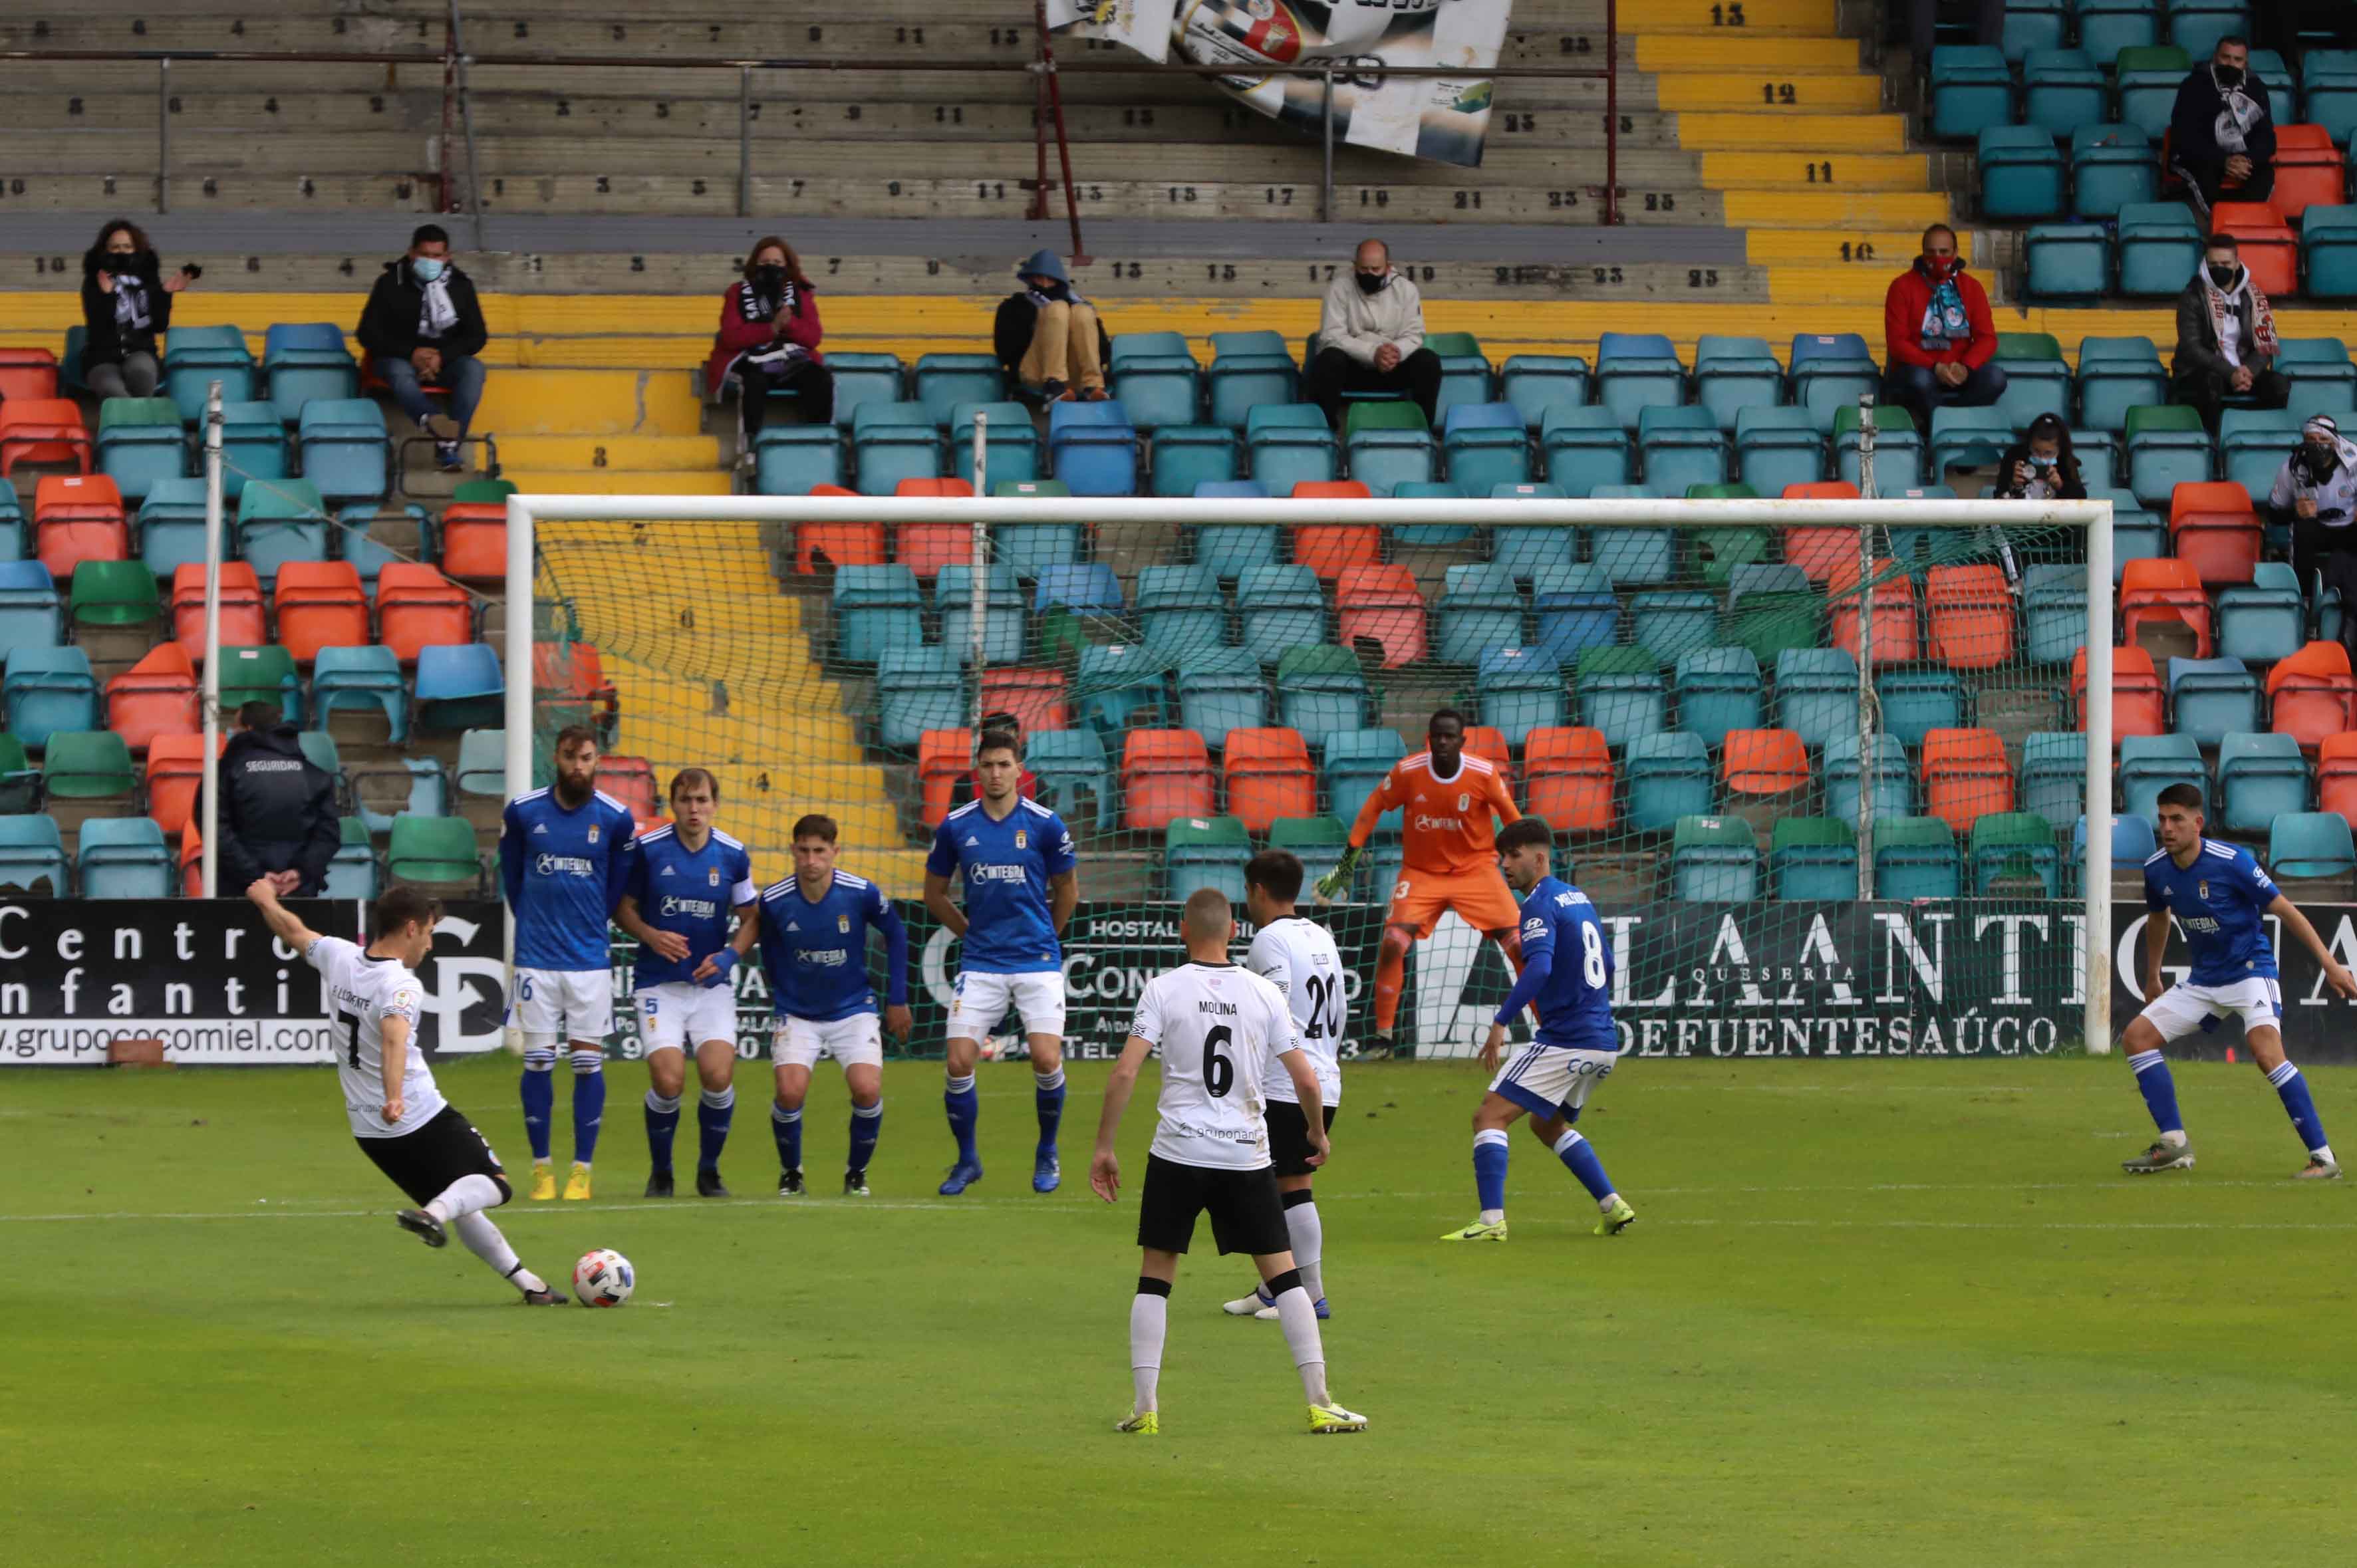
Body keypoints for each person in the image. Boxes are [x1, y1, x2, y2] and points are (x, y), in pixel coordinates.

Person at [1089, 887, 1367, 1436]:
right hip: (1245, 1154)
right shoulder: (1263, 993)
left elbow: (1124, 1073)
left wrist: (1105, 1147)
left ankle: (1145, 1407)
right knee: (1285, 1276)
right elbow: (1306, 1076)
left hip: (1178, 1151)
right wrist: (1315, 1130)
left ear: (1183, 931)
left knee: (1156, 1275)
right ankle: (1320, 1400)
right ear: (1234, 932)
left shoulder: (1163, 989)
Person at [247, 879, 565, 1303]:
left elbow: (291, 931)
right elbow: (394, 1036)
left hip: (370, 1132)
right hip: (416, 1114)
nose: (430, 944)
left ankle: (530, 1285)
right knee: (496, 1184)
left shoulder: (339, 956)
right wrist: (394, 1096)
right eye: (430, 932)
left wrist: (265, 898)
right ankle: (431, 1215)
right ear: (412, 928)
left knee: (459, 1200)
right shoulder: (401, 984)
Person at [2123, 784, 2353, 1179]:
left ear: (2198, 823)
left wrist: (2330, 964)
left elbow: (2286, 910)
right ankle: (2174, 1143)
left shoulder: (2233, 862)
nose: (2167, 827)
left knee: (2265, 1052)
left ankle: (2323, 1158)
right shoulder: (2156, 868)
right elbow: (2159, 918)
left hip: (2250, 972)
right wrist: (2152, 975)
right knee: (2136, 1038)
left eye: (2176, 819)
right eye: (2161, 818)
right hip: (2204, 981)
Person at [1441, 817, 1638, 1242]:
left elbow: (1540, 966)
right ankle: (1611, 1205)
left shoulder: (1537, 903)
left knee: (1489, 1116)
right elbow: (1607, 963)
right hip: (1603, 1042)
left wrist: (1500, 1021)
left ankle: (1491, 1222)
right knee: (1546, 1125)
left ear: (1540, 857)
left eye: (1514, 856)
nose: (1505, 865)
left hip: (1566, 1040)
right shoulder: (1578, 897)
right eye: (1502, 857)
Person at [923, 728, 1081, 1195]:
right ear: (978, 770)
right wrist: (968, 934)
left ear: (1019, 770)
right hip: (981, 963)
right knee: (957, 1063)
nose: (996, 773)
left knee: (1046, 1057)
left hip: (1036, 960)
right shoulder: (956, 826)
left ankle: (1047, 1151)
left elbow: (1069, 888)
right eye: (988, 765)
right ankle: (968, 1160)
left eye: (1004, 764)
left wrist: (1047, 937)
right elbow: (934, 894)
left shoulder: (1046, 824)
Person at [1314, 710, 1523, 1059]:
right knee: (1394, 942)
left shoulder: (1483, 774)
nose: (1442, 742)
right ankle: (1384, 1039)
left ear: (1462, 741)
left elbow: (1513, 818)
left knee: (1519, 947)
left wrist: (1519, 861)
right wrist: (1347, 862)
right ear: (1429, 738)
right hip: (1421, 874)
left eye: (1450, 736)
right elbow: (1373, 807)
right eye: (1437, 736)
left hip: (1477, 872)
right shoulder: (1409, 772)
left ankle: (1550, 1034)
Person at [499, 724, 636, 1202]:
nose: (578, 766)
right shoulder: (523, 811)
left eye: (586, 758)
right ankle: (542, 1170)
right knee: (538, 1060)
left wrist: (586, 924)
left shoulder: (616, 819)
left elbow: (616, 887)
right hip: (537, 959)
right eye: (569, 757)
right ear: (555, 758)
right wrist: (534, 922)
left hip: (588, 961)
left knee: (584, 1063)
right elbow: (511, 877)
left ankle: (582, 1169)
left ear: (598, 760)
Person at [741, 813, 910, 1197]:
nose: (811, 860)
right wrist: (782, 996)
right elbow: (769, 950)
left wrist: (897, 1000)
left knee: (867, 1089)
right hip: (797, 1012)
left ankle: (856, 1173)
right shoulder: (775, 900)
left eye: (820, 851)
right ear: (793, 851)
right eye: (804, 851)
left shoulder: (860, 892)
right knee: (789, 1093)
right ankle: (792, 1173)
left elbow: (897, 934)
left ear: (836, 851)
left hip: (853, 1008)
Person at [613, 769, 756, 1200]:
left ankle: (709, 1172)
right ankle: (662, 1172)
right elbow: (623, 909)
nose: (694, 809)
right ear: (672, 804)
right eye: (685, 800)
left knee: (717, 1074)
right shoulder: (649, 851)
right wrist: (651, 935)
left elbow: (752, 919)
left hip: (710, 988)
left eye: (702, 800)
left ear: (715, 804)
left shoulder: (732, 854)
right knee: (669, 1081)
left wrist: (730, 955)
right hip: (659, 985)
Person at [1222, 850, 1345, 1323]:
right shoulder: (1321, 935)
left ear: (1256, 890)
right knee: (1284, 1185)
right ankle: (1274, 1288)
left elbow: (1269, 1003)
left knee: (1289, 1187)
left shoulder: (1269, 940)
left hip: (1286, 1081)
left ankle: (1308, 1296)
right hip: (1321, 1075)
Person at [356, 222, 488, 472]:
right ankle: (432, 420)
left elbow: (477, 336)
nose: (431, 261)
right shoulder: (389, 284)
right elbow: (367, 333)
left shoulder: (461, 286)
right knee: (399, 372)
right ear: (412, 254)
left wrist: (441, 356)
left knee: (474, 371)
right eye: (425, 255)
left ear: (447, 257)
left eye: (437, 256)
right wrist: (411, 354)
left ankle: (448, 446)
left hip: (445, 362)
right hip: (398, 357)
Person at [704, 235, 832, 463]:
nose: (771, 267)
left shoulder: (801, 294)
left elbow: (813, 338)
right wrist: (771, 328)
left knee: (820, 378)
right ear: (754, 265)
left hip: (790, 360)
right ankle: (751, 448)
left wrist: (789, 323)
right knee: (754, 382)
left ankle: (818, 443)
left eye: (777, 263)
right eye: (765, 262)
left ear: (788, 266)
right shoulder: (737, 293)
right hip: (750, 360)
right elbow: (731, 336)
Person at [203, 701, 340, 898]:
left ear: (248, 729)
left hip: (239, 892)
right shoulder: (314, 774)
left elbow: (213, 828)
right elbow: (329, 834)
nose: (231, 731)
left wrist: (255, 876)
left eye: (234, 726)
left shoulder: (225, 772)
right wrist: (301, 873)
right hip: (297, 892)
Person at [1881, 224, 2005, 439]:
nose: (1937, 258)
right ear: (1922, 252)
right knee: (1920, 380)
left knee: (1995, 378)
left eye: (1944, 252)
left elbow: (1987, 339)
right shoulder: (1902, 287)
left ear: (1955, 253)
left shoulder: (1972, 287)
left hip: (1960, 369)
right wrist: (1935, 367)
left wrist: (1966, 367)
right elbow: (1897, 343)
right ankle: (1951, 435)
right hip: (1919, 370)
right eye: (1931, 252)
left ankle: (1945, 427)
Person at [1304, 237, 1441, 430]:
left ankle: (1421, 430)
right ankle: (1326, 431)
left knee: (1428, 361)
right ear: (1354, 267)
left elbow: (1414, 334)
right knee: (1329, 359)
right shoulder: (1338, 288)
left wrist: (1395, 352)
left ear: (1388, 267)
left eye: (1376, 269)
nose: (1370, 274)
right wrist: (1372, 353)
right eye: (1364, 269)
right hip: (1352, 369)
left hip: (1392, 368)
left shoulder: (1407, 290)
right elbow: (1332, 336)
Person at [2171, 232, 2290, 433]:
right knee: (2211, 384)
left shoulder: (2254, 296)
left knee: (2279, 385)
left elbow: (2265, 344)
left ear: (2237, 264)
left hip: (2243, 371)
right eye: (2213, 264)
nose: (2219, 269)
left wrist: (2249, 371)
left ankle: (2261, 436)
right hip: (2200, 374)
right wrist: (2230, 373)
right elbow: (2193, 348)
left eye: (2225, 264)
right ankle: (2213, 441)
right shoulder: (2192, 296)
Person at [78, 219, 194, 401]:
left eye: (127, 246)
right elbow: (98, 327)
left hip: (141, 352)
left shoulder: (148, 280)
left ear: (137, 249)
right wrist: (107, 295)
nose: (121, 251)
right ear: (105, 250)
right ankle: (127, 426)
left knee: (142, 374)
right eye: (115, 247)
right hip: (101, 358)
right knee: (113, 391)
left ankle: (141, 425)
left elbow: (159, 326)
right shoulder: (94, 282)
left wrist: (165, 293)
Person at [2169, 36, 2275, 225]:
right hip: (2204, 156)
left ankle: (2245, 225)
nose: (2231, 64)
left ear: (2246, 63)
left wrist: (2248, 160)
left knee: (2265, 173)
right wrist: (2223, 161)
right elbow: (2185, 138)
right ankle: (2222, 226)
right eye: (2226, 57)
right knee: (2205, 175)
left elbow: (2267, 138)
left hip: (2244, 157)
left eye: (2238, 60)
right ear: (2215, 57)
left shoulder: (2257, 87)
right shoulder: (2193, 85)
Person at [992, 249, 1108, 404]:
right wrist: (1039, 326)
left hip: (1076, 376)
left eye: (1051, 279)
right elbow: (1005, 352)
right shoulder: (1015, 306)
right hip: (1035, 372)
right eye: (1040, 278)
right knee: (1057, 308)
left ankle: (1093, 387)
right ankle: (1054, 384)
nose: (1045, 284)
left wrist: (1073, 326)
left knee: (1082, 312)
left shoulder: (1079, 305)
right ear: (1031, 279)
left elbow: (1105, 353)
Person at [2270, 414, 2357, 604]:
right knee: (2303, 529)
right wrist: (2295, 512)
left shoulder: (2354, 464)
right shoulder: (2292, 468)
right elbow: (2273, 514)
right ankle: (2305, 599)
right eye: (2311, 439)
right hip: (2316, 530)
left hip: (2350, 527)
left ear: (2334, 443)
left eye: (2324, 439)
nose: (2317, 445)